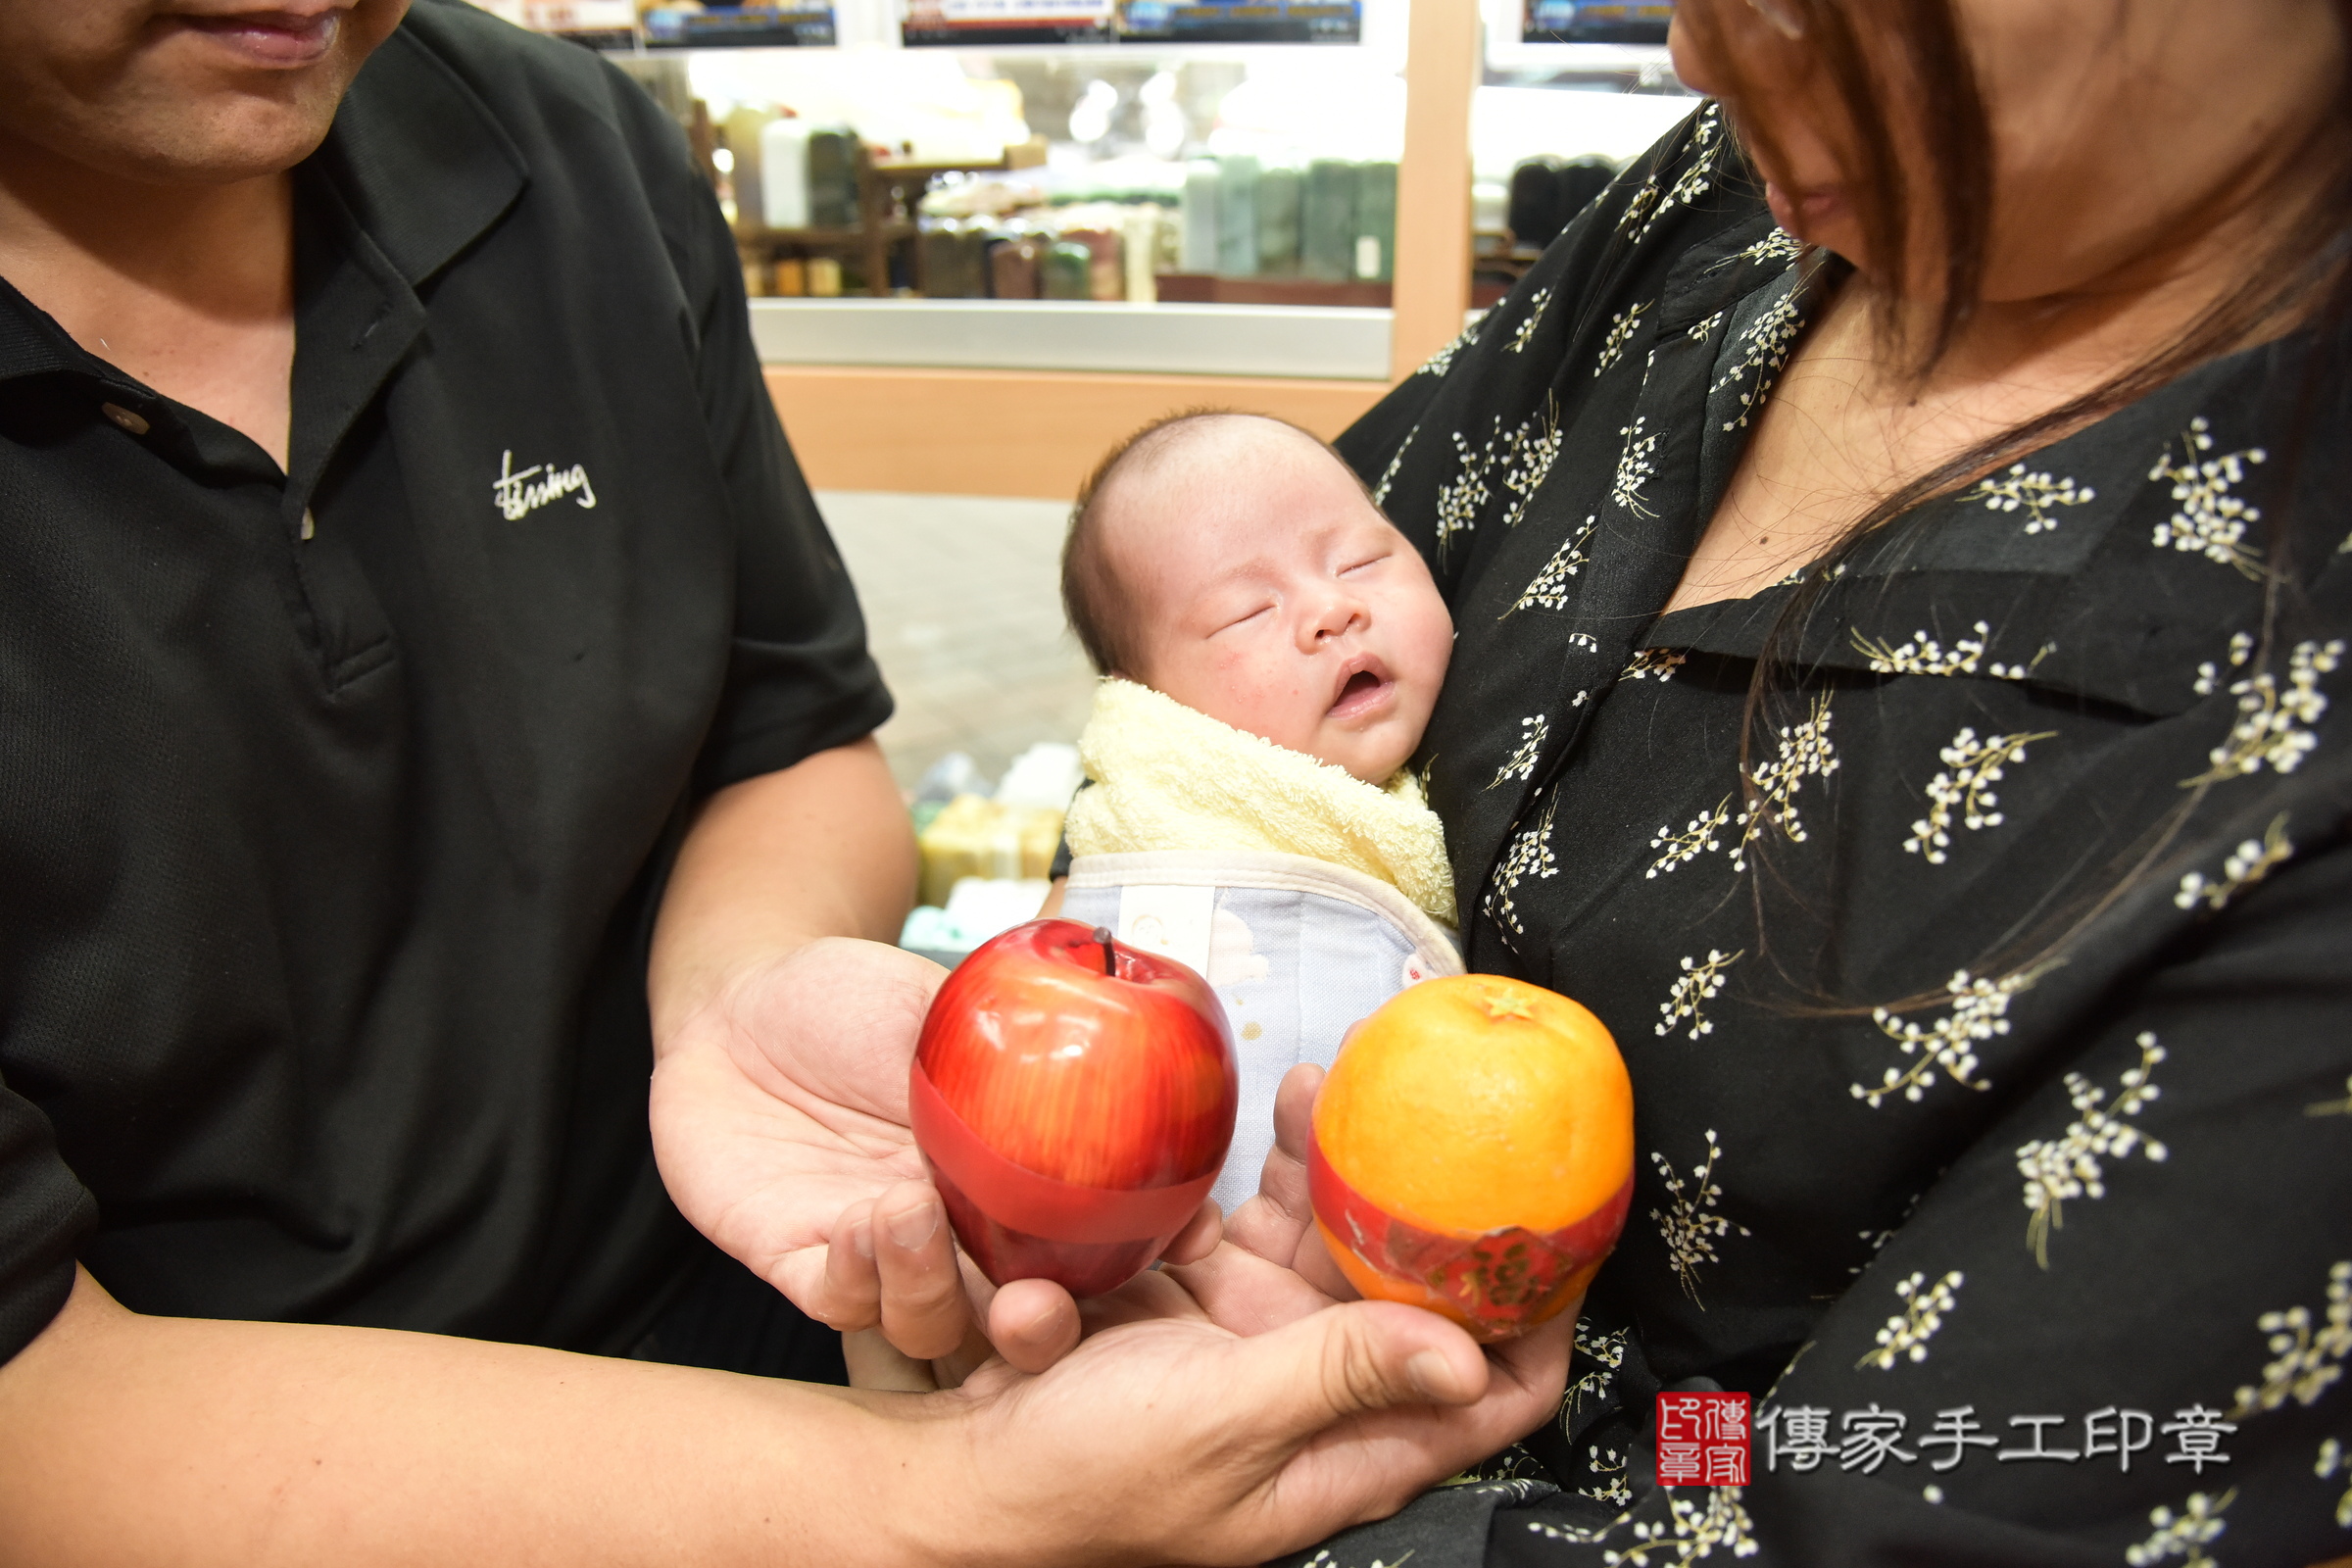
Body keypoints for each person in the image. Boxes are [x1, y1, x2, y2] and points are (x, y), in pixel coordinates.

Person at [761, 0, 2352, 1560]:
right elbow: (1205, 688)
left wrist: (1053, 1515)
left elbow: (1929, 1492)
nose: (1701, 49)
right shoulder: (1732, 208)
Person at [0, 2, 1574, 1560]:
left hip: (771, 1301)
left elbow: (788, 735)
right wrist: (938, 1502)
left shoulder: (572, 159)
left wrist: (734, 1012)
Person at [1050, 411, 1463, 1210]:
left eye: (1361, 559)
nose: (1331, 610)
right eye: (1249, 611)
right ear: (1156, 707)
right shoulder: (1156, 822)